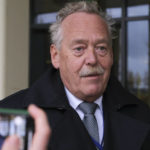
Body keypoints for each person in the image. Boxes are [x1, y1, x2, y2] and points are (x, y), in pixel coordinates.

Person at [0, 1, 150, 150]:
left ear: (111, 54)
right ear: (55, 56)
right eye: (79, 49)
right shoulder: (9, 117)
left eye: (101, 48)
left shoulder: (142, 115)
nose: (92, 59)